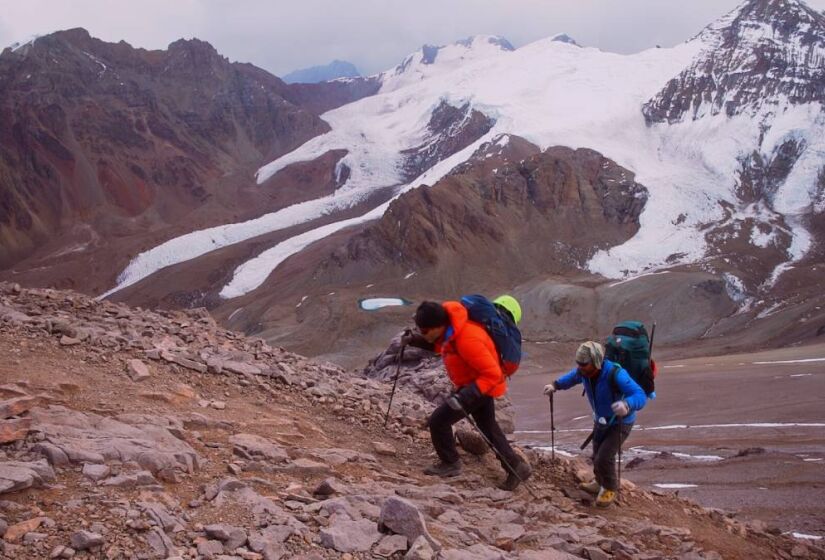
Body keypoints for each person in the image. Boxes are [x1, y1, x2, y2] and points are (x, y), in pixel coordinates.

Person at [402, 296, 532, 491]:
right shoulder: (450, 330)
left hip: (478, 387)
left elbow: (493, 374)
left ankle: (450, 463)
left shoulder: (467, 338)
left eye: (425, 330)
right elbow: (440, 345)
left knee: (438, 421)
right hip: (474, 385)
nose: (424, 333)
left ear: (437, 326)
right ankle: (516, 466)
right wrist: (416, 340)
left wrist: (465, 396)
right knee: (488, 427)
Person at [543, 341, 646, 507]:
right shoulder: (584, 373)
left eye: (584, 364)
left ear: (596, 361)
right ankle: (599, 482)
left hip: (620, 422)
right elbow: (571, 378)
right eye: (579, 363)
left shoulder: (616, 374)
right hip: (601, 419)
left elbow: (639, 394)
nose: (580, 367)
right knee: (596, 454)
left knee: (604, 457)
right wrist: (555, 385)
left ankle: (610, 488)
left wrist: (627, 404)